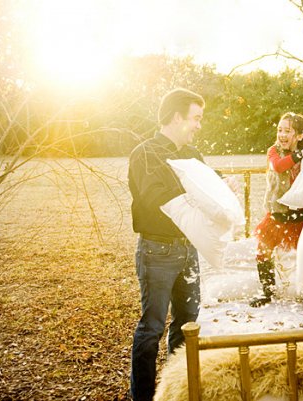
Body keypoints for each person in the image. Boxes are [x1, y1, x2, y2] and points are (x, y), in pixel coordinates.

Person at [128, 88, 206, 401]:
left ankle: (178, 391)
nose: (199, 125)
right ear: (176, 117)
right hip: (158, 251)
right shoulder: (145, 153)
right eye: (195, 118)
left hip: (189, 248)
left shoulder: (193, 155)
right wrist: (197, 196)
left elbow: (208, 188)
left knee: (187, 326)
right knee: (152, 328)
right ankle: (144, 396)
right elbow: (156, 197)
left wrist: (220, 189)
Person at [250, 112, 303, 314]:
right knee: (263, 252)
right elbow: (279, 166)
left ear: (299, 136)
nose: (281, 134)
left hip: (300, 215)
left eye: (287, 131)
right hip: (277, 214)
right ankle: (267, 291)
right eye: (280, 130)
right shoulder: (274, 151)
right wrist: (301, 154)